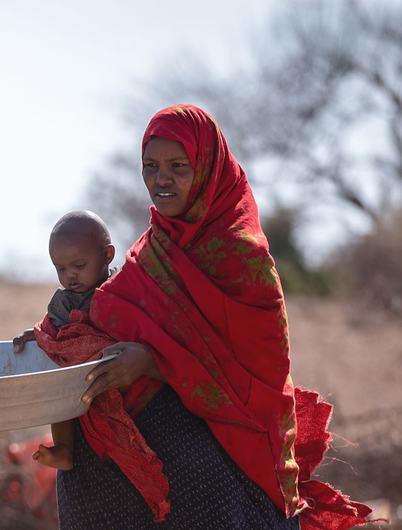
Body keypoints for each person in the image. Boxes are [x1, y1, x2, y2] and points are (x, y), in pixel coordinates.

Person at [48, 104, 376, 529]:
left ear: (206, 167)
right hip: (145, 433)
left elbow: (257, 375)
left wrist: (153, 362)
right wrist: (50, 333)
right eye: (150, 166)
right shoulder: (151, 251)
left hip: (220, 439)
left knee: (205, 483)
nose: (160, 179)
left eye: (177, 166)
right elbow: (99, 314)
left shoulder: (242, 258)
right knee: (85, 468)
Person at [12, 210, 117, 472]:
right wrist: (36, 335)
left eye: (79, 266)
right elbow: (52, 331)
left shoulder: (120, 290)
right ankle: (64, 450)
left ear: (107, 256)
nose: (70, 275)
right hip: (75, 383)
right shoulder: (64, 301)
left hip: (114, 377)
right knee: (57, 392)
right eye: (61, 269)